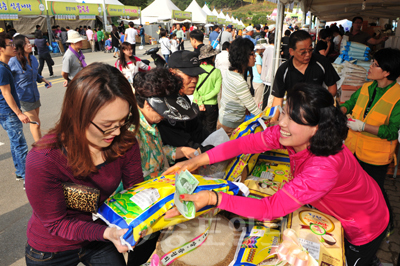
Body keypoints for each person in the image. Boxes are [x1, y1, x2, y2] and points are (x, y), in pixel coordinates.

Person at [164, 83, 390, 266]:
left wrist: (214, 198)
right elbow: (244, 144)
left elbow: (268, 208)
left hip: (362, 225)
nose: (281, 122)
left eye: (292, 119)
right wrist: (195, 161)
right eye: (283, 112)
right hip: (332, 213)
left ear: (317, 128)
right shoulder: (291, 136)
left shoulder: (324, 168)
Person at [25, 62, 145, 266]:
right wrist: (107, 232)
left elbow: (135, 190)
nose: (116, 132)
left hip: (100, 235)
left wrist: (157, 208)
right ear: (76, 115)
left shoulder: (124, 142)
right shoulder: (45, 159)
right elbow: (56, 223)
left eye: (123, 121)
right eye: (107, 126)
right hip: (53, 247)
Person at [341, 48, 400, 239]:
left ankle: (388, 222)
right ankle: (358, 222)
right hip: (353, 149)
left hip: (375, 156)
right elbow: (350, 105)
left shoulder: (398, 97)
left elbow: (392, 131)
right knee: (354, 188)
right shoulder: (367, 87)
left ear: (387, 71)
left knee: (376, 191)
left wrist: (364, 126)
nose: (371, 67)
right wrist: (338, 111)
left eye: (375, 64)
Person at [270, 30, 340, 122]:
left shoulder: (322, 62)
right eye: (303, 52)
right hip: (294, 116)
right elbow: (278, 98)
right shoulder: (283, 70)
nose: (308, 55)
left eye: (310, 50)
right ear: (291, 51)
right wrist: (273, 120)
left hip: (318, 114)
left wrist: (322, 105)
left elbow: (332, 87)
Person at [157, 51, 210, 152]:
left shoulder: (183, 97)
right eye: (189, 75)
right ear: (172, 73)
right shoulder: (164, 102)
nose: (194, 80)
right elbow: (178, 140)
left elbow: (195, 127)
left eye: (196, 75)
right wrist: (204, 151)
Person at [9, 35, 51, 142]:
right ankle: (40, 148)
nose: (30, 45)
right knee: (35, 124)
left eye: (29, 42)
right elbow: (6, 79)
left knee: (37, 123)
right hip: (23, 98)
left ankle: (40, 144)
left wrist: (42, 79)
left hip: (34, 95)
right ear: (20, 46)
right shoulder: (13, 61)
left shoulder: (32, 58)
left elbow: (35, 73)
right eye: (26, 43)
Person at [0, 32, 29, 188]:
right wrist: (19, 113)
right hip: (9, 113)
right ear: (1, 49)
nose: (13, 47)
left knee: (14, 143)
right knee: (20, 145)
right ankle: (27, 178)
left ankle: (19, 171)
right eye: (9, 44)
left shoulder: (4, 66)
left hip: (5, 112)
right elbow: (5, 93)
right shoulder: (2, 69)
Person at [217, 38, 262, 136]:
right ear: (243, 56)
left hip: (223, 120)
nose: (255, 56)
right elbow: (254, 109)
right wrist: (270, 119)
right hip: (230, 127)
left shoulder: (230, 73)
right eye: (252, 53)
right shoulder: (239, 81)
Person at [193, 45, 221, 133]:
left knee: (196, 130)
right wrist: (203, 99)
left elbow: (193, 88)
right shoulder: (216, 72)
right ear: (212, 57)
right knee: (210, 130)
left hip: (196, 104)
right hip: (211, 105)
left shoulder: (196, 70)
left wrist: (200, 101)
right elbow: (216, 90)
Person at [261, 33, 275, 109]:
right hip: (270, 78)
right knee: (268, 99)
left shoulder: (267, 49)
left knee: (265, 98)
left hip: (266, 77)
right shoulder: (273, 50)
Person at [252, 44, 266, 109]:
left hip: (255, 80)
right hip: (259, 81)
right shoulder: (258, 57)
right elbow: (259, 70)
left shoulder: (255, 56)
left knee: (257, 99)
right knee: (259, 101)